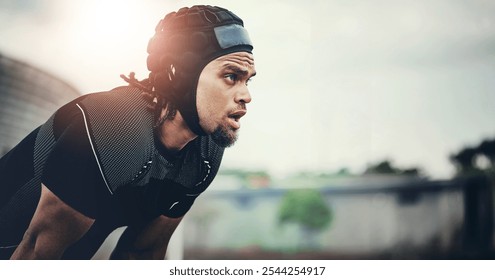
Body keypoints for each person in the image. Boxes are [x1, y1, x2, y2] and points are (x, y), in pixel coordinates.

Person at [0, 5, 256, 259]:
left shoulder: (205, 151)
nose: (246, 96)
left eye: (248, 80)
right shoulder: (115, 126)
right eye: (231, 76)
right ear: (178, 74)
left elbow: (140, 253)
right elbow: (35, 256)